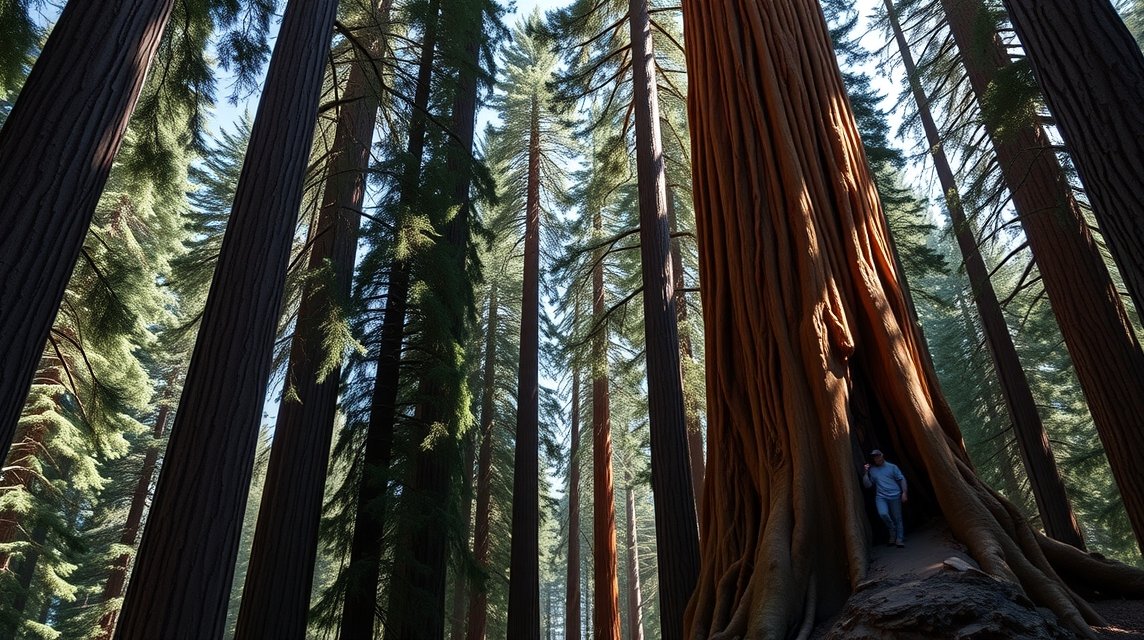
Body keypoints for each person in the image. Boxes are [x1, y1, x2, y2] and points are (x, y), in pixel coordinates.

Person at [863, 449, 908, 547]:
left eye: (878, 456)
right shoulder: (872, 470)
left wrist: (904, 493)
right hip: (881, 497)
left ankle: (899, 539)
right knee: (883, 514)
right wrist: (866, 472)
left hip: (895, 495)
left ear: (882, 455)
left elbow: (902, 479)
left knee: (897, 518)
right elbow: (868, 485)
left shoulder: (892, 467)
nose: (877, 458)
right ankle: (892, 531)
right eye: (874, 457)